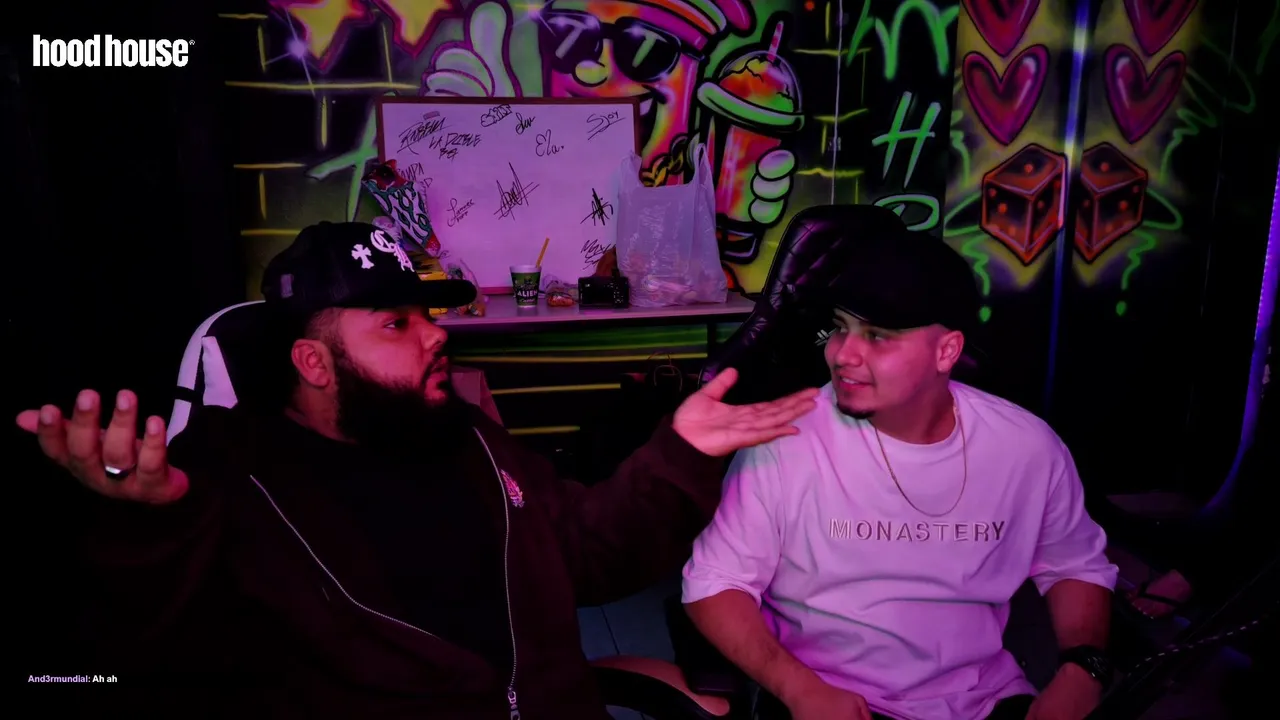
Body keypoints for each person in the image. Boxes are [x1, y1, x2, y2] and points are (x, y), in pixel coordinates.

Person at [17, 221, 819, 719]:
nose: (436, 334)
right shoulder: (229, 476)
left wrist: (680, 453)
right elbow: (144, 660)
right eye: (396, 323)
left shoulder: (466, 438)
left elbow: (589, 555)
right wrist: (141, 527)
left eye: (429, 314)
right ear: (314, 363)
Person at [681, 228, 1119, 720]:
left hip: (985, 700)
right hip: (829, 698)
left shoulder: (1027, 449)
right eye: (839, 327)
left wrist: (1083, 670)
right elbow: (714, 583)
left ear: (946, 351)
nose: (842, 353)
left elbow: (1074, 565)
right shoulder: (786, 442)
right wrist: (798, 689)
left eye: (877, 336)